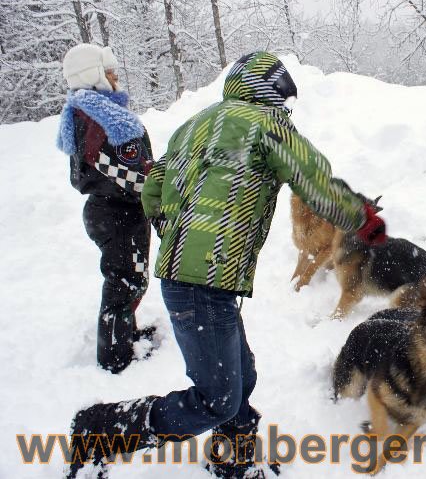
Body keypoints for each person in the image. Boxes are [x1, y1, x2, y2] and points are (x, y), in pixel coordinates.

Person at [66, 52, 387, 479]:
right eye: (281, 97)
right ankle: (102, 430)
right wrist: (363, 218)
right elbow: (316, 184)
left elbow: (153, 189)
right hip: (202, 282)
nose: (283, 108)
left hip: (194, 278)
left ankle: (233, 454)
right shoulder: (269, 127)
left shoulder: (194, 124)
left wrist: (177, 233)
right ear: (267, 90)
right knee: (216, 396)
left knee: (240, 374)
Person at [56, 43, 156, 374]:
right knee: (126, 280)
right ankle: (115, 355)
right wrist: (159, 183)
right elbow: (128, 173)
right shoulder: (105, 120)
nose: (116, 77)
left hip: (109, 209)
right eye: (109, 72)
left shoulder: (87, 113)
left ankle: (126, 335)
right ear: (94, 76)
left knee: (128, 277)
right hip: (119, 213)